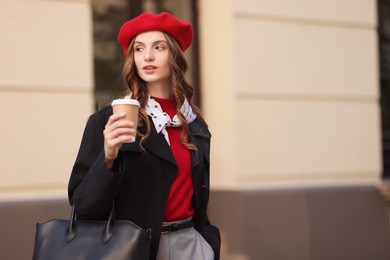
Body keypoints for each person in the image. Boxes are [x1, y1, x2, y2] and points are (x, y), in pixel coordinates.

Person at [68, 12, 221, 260]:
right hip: (134, 250)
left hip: (192, 247)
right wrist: (108, 158)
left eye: (158, 47)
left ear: (175, 55)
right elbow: (83, 208)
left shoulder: (195, 126)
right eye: (139, 49)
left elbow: (199, 200)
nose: (147, 56)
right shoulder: (109, 121)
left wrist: (209, 244)